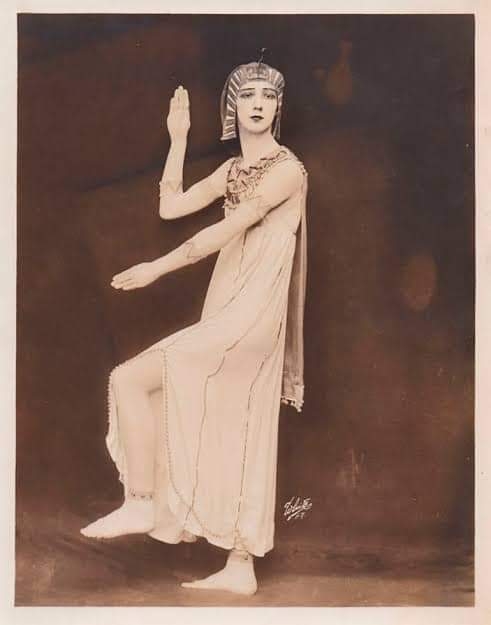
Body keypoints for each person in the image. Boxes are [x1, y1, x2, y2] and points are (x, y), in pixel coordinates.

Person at [80, 59, 308, 596]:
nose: (258, 103)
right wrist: (178, 139)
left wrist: (155, 269)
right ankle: (240, 564)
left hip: (253, 315)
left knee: (133, 379)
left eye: (268, 94)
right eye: (247, 94)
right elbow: (170, 207)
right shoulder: (231, 171)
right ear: (232, 107)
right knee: (235, 422)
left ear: (279, 106)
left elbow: (221, 233)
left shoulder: (287, 170)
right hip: (229, 306)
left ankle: (142, 501)